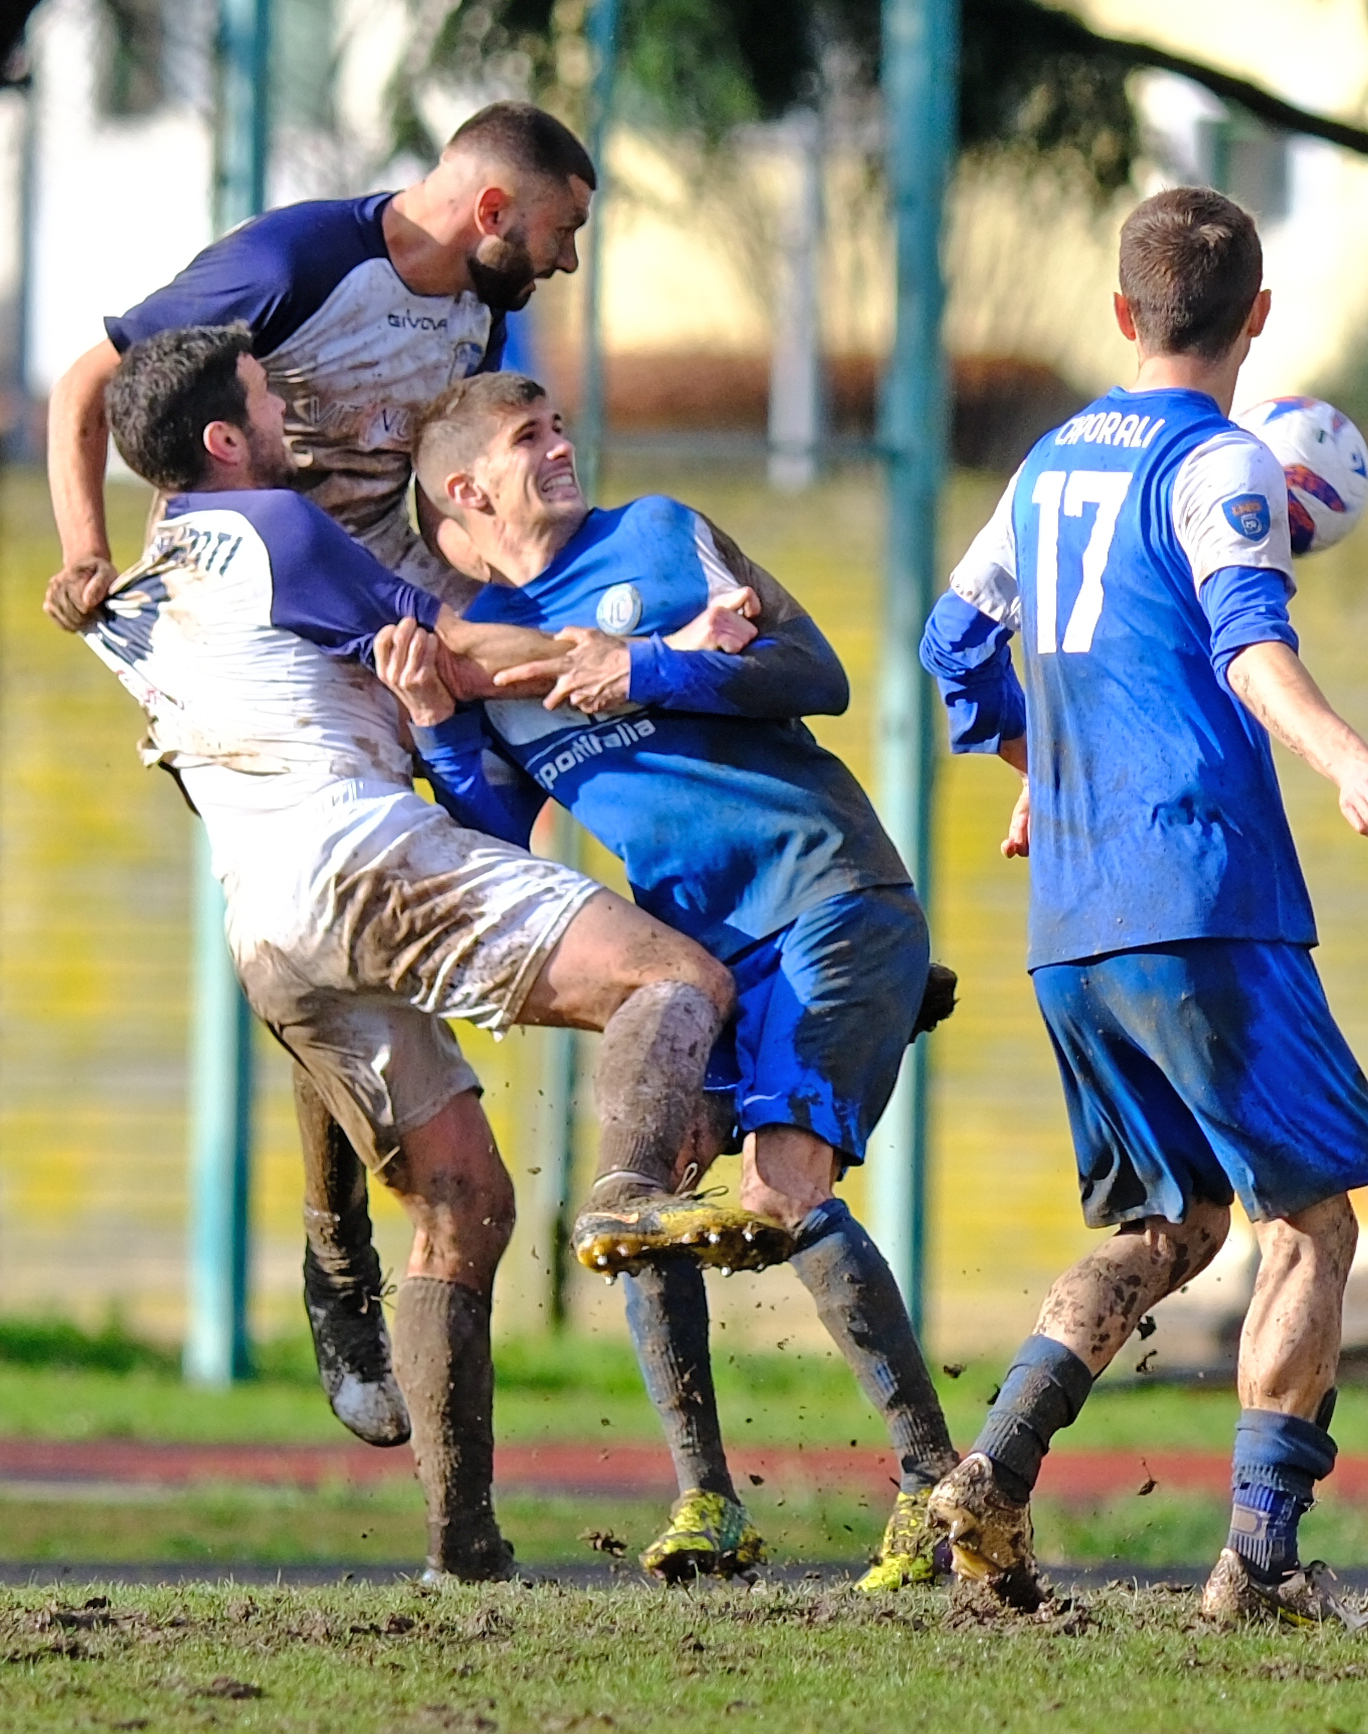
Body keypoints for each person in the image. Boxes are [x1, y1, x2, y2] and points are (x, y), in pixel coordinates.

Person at [76, 324, 754, 1584]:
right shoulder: (272, 525)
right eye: (277, 403)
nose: (303, 420)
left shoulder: (135, 593)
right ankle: (629, 1198)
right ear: (228, 441)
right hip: (366, 861)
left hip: (266, 928)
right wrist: (656, 660)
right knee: (676, 982)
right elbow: (454, 645)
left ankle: (462, 1547)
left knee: (466, 1207)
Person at [41, 100, 597, 1452]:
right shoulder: (296, 263)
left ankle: (729, 978)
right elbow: (88, 382)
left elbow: (438, 478)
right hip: (257, 617)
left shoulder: (475, 319)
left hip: (379, 610)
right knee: (325, 902)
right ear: (490, 210)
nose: (564, 261)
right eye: (559, 230)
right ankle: (334, 1244)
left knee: (578, 736)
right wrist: (81, 545)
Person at [920, 187, 1368, 1628]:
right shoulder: (1223, 466)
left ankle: (993, 1469)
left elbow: (956, 651)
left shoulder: (1047, 463)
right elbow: (1249, 645)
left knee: (1169, 1222)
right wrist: (1345, 761)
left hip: (1074, 920)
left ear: (1121, 314)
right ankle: (1258, 1564)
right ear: (1256, 320)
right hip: (1202, 891)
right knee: (1310, 1225)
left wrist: (1046, 762)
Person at [387, 370, 960, 1592]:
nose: (558, 447)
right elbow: (502, 836)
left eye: (556, 427)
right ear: (465, 490)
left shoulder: (656, 534)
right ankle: (711, 1502)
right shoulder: (487, 660)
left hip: (826, 893)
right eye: (526, 437)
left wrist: (650, 665)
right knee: (639, 1197)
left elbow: (815, 671)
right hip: (702, 957)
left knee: (782, 1182)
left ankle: (934, 1490)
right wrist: (438, 728)